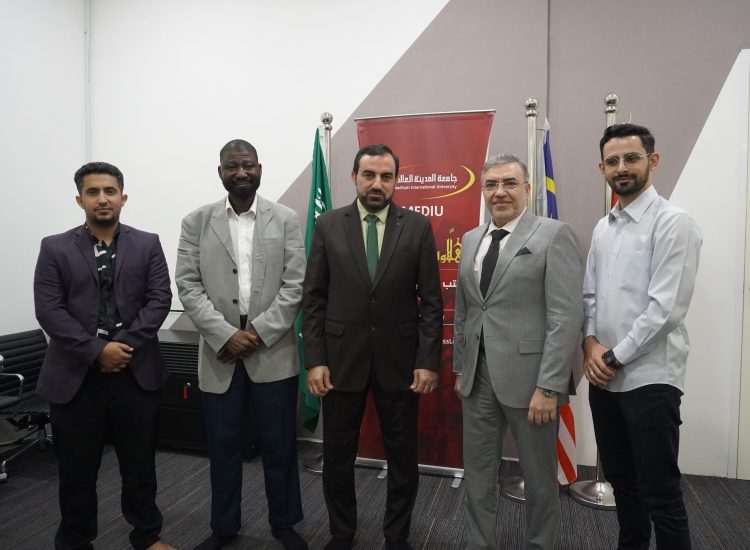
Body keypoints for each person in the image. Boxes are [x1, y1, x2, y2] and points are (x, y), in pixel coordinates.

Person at [302, 144, 443, 550]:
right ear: (354, 177)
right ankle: (341, 533)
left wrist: (427, 361)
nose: (377, 184)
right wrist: (315, 360)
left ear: (397, 180)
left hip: (400, 363)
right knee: (338, 456)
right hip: (340, 361)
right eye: (369, 175)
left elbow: (431, 302)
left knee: (403, 458)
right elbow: (314, 298)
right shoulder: (328, 225)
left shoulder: (416, 226)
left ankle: (396, 537)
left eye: (386, 176)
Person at [33, 162, 174, 550]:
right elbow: (49, 310)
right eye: (92, 192)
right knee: (76, 473)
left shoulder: (147, 243)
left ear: (123, 197)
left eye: (110, 191)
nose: (102, 199)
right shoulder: (55, 247)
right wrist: (97, 351)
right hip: (76, 378)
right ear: (80, 200)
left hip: (135, 373)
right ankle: (75, 541)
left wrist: (121, 347)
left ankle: (147, 536)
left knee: (140, 467)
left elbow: (159, 299)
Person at [176, 139, 307, 550]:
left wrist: (258, 332)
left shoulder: (285, 219)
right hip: (221, 354)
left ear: (260, 169)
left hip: (272, 350)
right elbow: (187, 285)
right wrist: (225, 335)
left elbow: (295, 284)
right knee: (223, 447)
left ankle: (284, 523)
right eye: (232, 166)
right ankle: (224, 527)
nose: (241, 173)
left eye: (248, 165)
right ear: (220, 173)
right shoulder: (196, 221)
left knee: (279, 445)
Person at [452, 154, 584, 550]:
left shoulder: (554, 235)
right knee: (478, 475)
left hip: (532, 384)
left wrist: (549, 386)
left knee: (540, 481)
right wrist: (461, 368)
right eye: (491, 185)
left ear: (527, 188)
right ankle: (478, 544)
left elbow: (565, 317)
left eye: (509, 183)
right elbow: (465, 311)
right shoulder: (471, 239)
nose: (500, 192)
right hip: (477, 379)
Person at [583, 123, 702, 549]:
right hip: (604, 378)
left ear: (653, 160)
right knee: (622, 482)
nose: (622, 167)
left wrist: (612, 356)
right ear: (602, 168)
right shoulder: (603, 227)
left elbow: (665, 310)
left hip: (650, 379)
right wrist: (590, 343)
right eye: (612, 161)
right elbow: (590, 296)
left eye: (631, 158)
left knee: (660, 490)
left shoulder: (674, 223)